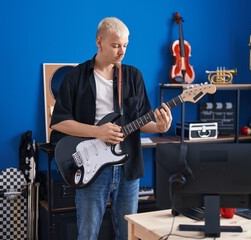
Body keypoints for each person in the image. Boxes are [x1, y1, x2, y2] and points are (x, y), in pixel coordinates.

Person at [50, 17, 172, 240]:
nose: (121, 51)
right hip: (90, 165)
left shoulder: (134, 76)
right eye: (116, 45)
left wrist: (159, 126)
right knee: (87, 234)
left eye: (125, 45)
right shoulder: (75, 77)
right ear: (99, 41)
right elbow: (59, 121)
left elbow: (143, 121)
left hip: (128, 165)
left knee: (128, 234)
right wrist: (98, 131)